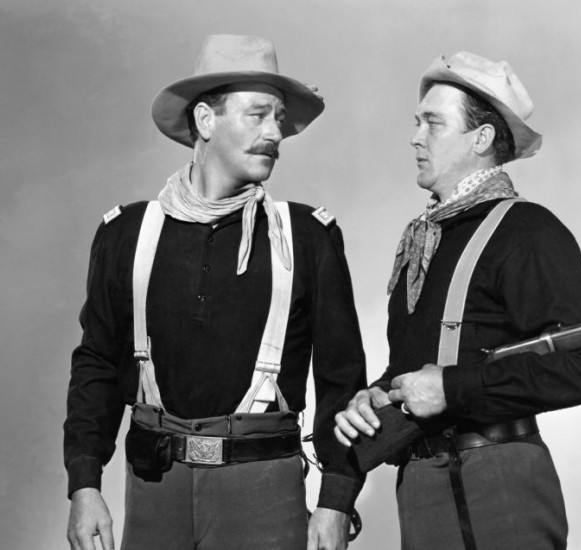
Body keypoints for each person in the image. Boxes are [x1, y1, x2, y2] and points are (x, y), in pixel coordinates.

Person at [64, 34, 366, 550]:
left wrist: (337, 499)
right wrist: (84, 483)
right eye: (258, 115)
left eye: (279, 118)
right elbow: (96, 363)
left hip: (264, 492)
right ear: (206, 120)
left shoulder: (307, 237)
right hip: (155, 491)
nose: (275, 133)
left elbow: (342, 379)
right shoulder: (127, 234)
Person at [334, 51, 581, 549]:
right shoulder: (423, 240)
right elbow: (416, 368)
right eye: (417, 122)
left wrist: (451, 390)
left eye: (433, 123)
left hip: (500, 483)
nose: (415, 137)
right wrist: (374, 397)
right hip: (420, 485)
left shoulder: (529, 231)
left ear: (480, 138)